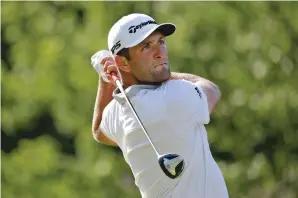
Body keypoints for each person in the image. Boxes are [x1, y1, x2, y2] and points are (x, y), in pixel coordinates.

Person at [91, 13, 229, 198]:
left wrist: (105, 78)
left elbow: (99, 130)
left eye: (161, 41)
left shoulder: (118, 111)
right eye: (146, 46)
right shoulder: (173, 96)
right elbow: (211, 90)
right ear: (123, 62)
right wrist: (166, 72)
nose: (160, 53)